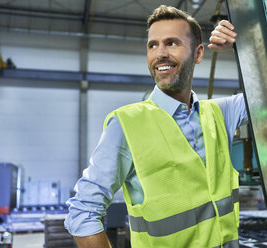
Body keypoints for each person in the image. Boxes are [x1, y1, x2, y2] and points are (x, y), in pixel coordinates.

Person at [65, 5, 245, 248]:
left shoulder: (222, 113)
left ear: (198, 54)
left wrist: (246, 47)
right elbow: (82, 213)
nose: (160, 53)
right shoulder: (125, 124)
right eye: (152, 45)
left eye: (172, 43)